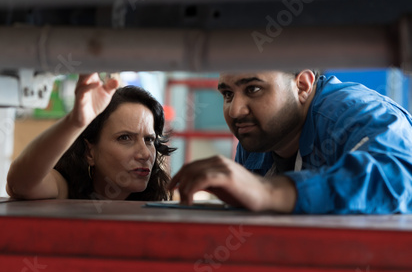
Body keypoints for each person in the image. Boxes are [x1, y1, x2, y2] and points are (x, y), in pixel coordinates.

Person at [169, 70, 412, 214]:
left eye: (253, 89)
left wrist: (268, 191)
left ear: (303, 85)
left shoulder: (355, 112)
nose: (235, 111)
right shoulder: (259, 139)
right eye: (228, 94)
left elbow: (399, 176)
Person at [7, 73, 174, 201]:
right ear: (89, 152)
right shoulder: (66, 188)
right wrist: (75, 122)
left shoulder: (159, 198)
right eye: (125, 138)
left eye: (149, 140)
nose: (145, 154)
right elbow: (20, 184)